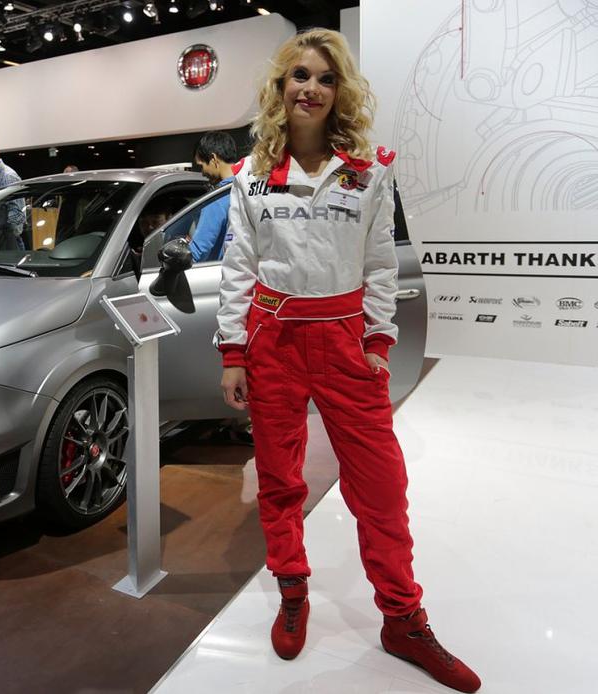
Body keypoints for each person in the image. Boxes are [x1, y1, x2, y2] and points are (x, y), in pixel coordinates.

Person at [216, 30, 480, 693]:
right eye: (299, 75)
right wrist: (233, 353)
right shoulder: (248, 175)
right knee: (280, 482)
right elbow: (239, 267)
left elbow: (380, 264)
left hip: (343, 340)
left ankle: (402, 618)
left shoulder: (369, 169)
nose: (311, 88)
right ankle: (292, 590)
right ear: (280, 87)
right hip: (273, 340)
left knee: (382, 487)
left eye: (326, 78)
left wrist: (376, 341)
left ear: (341, 92)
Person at [188, 131, 237, 262]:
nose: (202, 173)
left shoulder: (217, 199)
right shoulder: (249, 188)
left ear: (213, 158)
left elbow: (199, 250)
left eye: (201, 166)